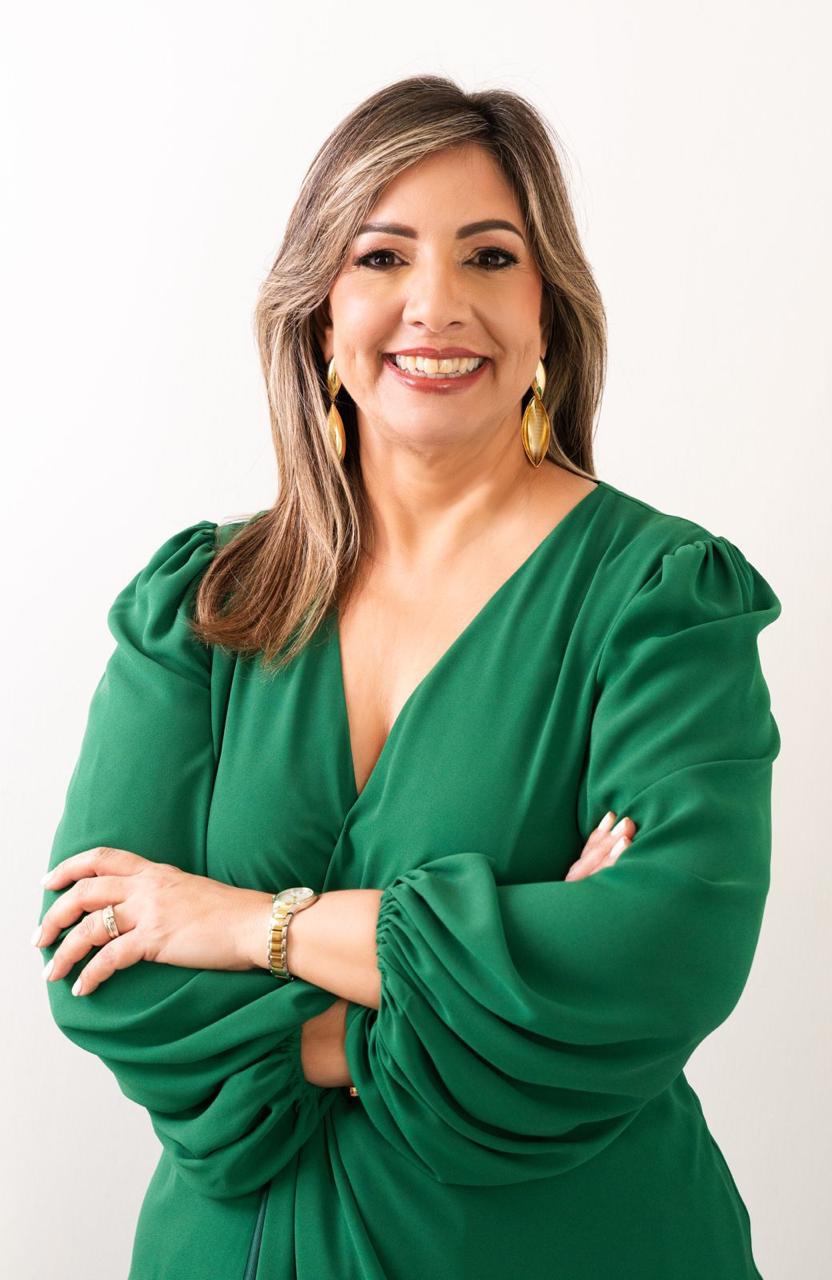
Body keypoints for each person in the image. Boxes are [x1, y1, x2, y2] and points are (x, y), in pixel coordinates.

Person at [34, 75, 780, 1279]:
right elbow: (97, 971)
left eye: (489, 256)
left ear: (547, 313)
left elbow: (658, 951)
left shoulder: (657, 599)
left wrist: (244, 925)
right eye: (382, 256)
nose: (436, 303)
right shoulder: (201, 605)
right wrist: (489, 973)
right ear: (320, 318)